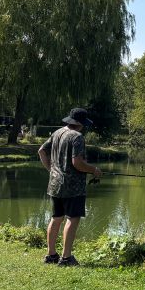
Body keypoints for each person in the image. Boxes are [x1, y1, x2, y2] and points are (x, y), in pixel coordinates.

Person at [38, 108, 102, 266]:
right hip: (73, 187)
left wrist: (51, 170)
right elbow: (77, 163)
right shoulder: (77, 137)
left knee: (56, 218)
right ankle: (66, 258)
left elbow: (41, 151)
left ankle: (51, 255)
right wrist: (94, 170)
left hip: (54, 184)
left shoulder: (57, 133)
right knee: (72, 219)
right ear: (79, 124)